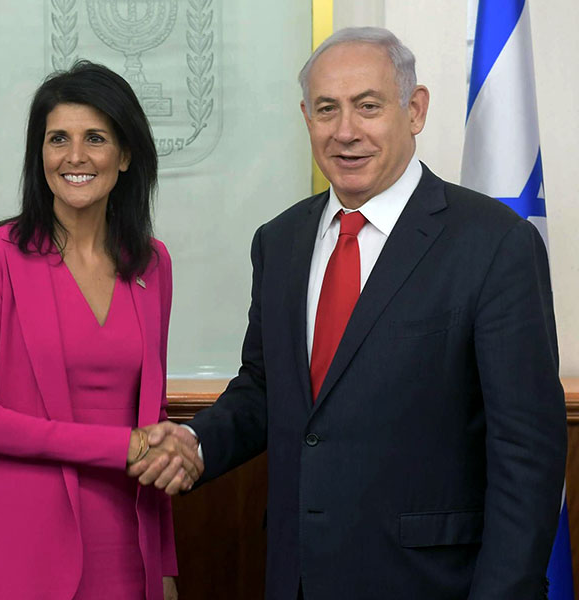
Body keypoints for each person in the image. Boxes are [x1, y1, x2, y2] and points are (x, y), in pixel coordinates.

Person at [129, 27, 567, 599]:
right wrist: (196, 443)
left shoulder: (493, 243)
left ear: (415, 110)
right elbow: (265, 388)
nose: (345, 131)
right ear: (306, 117)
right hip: (299, 576)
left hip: (434, 584)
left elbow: (527, 450)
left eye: (368, 106)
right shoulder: (280, 241)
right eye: (326, 109)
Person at [0, 61, 201, 600]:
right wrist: (119, 445)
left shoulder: (152, 264)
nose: (75, 157)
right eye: (57, 139)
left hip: (127, 547)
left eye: (96, 138)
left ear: (126, 154)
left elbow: (150, 426)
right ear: (39, 155)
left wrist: (164, 564)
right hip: (21, 545)